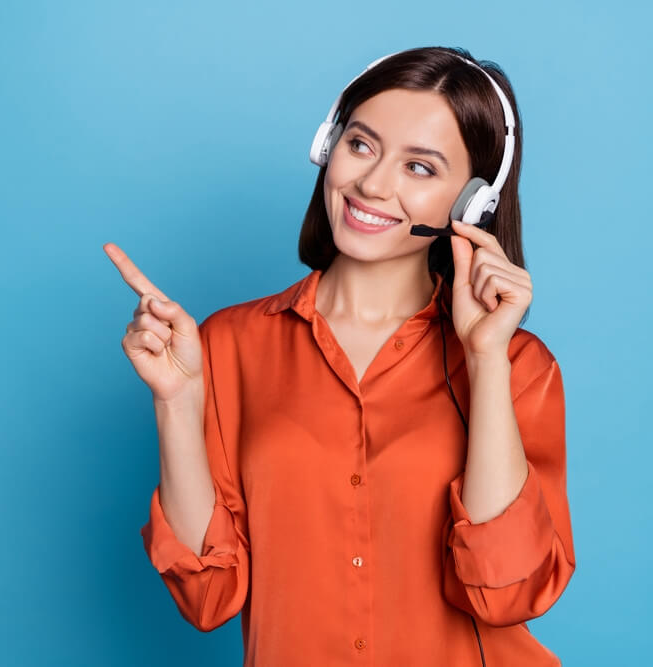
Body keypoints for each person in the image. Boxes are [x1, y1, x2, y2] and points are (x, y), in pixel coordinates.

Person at [104, 45, 575, 666]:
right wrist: (177, 401)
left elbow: (507, 591)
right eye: (361, 145)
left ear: (473, 203)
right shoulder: (228, 345)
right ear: (329, 145)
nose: (374, 184)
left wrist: (486, 360)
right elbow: (208, 595)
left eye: (421, 168)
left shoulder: (518, 367)